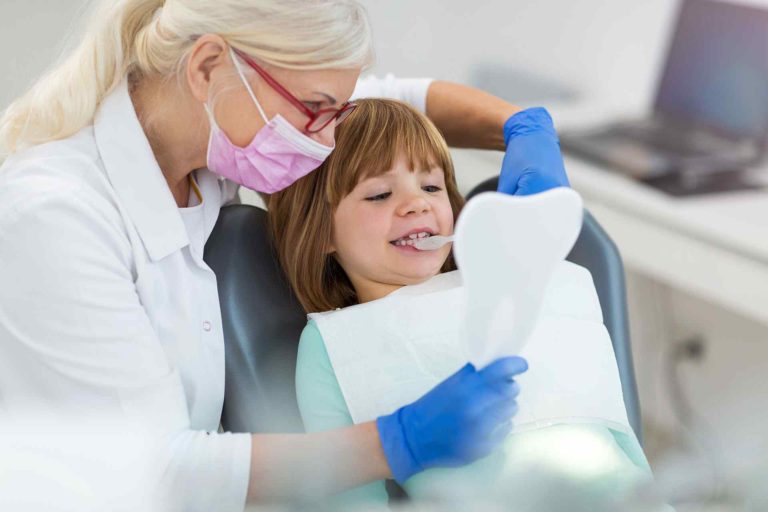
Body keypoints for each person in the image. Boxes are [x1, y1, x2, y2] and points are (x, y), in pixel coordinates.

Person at [0, 0, 567, 510]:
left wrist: (520, 128)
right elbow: (156, 472)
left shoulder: (207, 133)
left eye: (335, 115)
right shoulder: (55, 217)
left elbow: (394, 102)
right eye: (315, 110)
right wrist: (398, 442)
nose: (326, 142)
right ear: (207, 68)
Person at [268, 98, 651, 506]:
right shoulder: (333, 344)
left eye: (432, 187)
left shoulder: (513, 285)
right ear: (321, 230)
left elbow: (612, 426)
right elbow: (346, 496)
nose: (418, 203)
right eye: (379, 194)